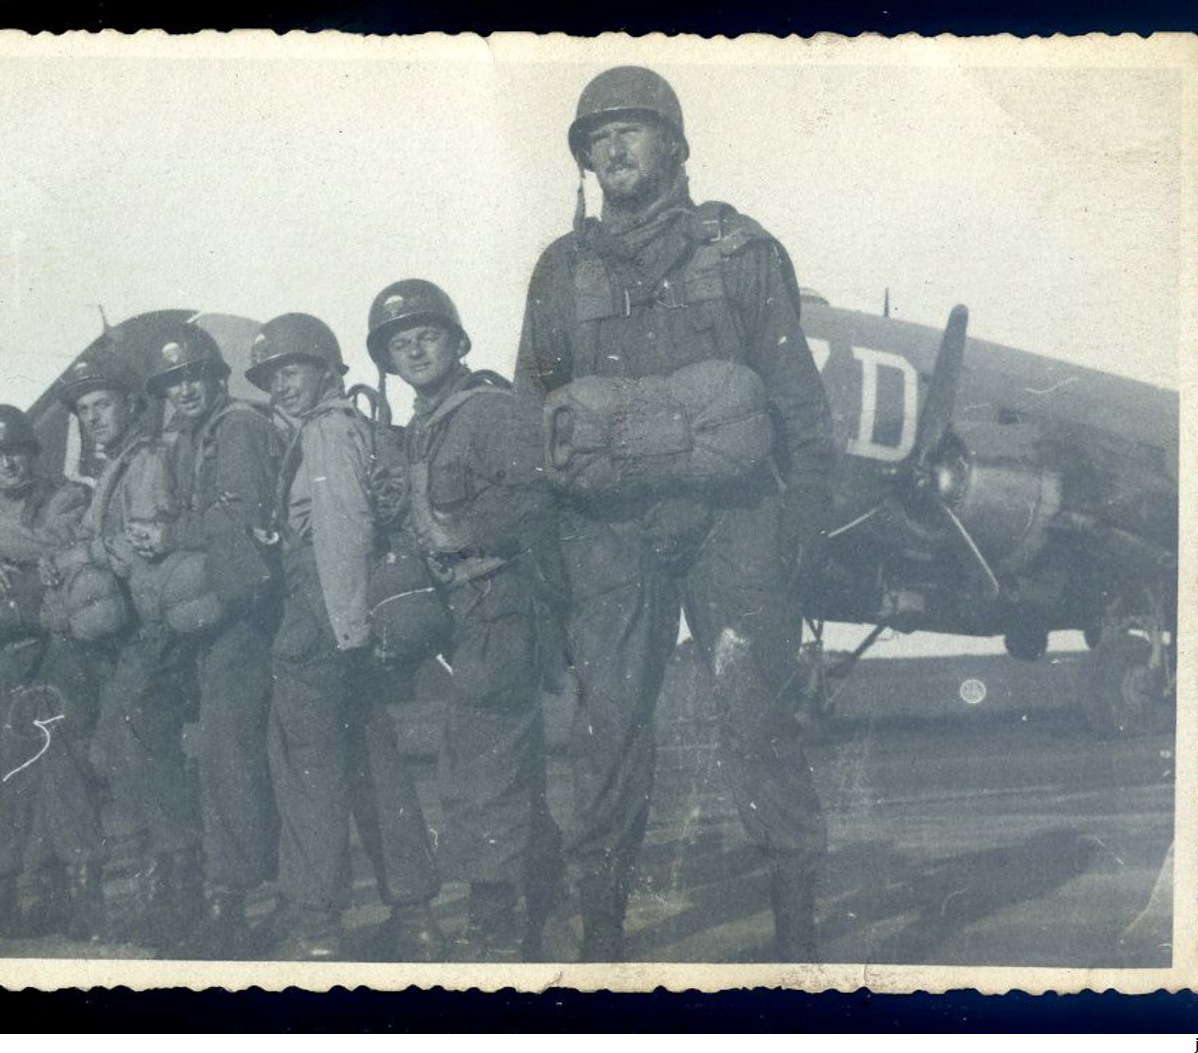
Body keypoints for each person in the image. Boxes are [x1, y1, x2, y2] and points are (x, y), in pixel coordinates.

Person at [514, 66, 836, 961]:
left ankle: (798, 938)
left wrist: (798, 528)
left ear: (675, 144)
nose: (613, 148)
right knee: (608, 726)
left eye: (632, 130)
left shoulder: (740, 253)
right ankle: (602, 938)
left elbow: (798, 404)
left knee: (756, 713)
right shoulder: (560, 269)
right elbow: (528, 411)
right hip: (606, 534)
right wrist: (537, 534)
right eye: (596, 138)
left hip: (732, 523)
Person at [366, 280, 570, 961]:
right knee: (497, 760)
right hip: (468, 612)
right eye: (399, 343)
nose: (414, 349)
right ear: (388, 361)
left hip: (502, 606)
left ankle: (496, 923)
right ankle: (545, 907)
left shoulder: (486, 410)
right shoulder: (427, 423)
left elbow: (535, 502)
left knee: (480, 765)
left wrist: (459, 533)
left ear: (456, 342)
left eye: (426, 335)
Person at [246, 312, 441, 961]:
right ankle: (414, 913)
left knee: (308, 769)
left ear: (327, 369)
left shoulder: (326, 432)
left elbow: (338, 533)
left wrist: (346, 632)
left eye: (292, 369)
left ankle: (315, 924)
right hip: (345, 618)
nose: (282, 384)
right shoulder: (352, 422)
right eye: (272, 376)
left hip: (322, 620)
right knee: (374, 765)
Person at [41, 351, 205, 949]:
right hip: (130, 634)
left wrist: (85, 555)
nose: (94, 419)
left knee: (139, 751)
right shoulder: (118, 466)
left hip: (153, 630)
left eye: (102, 405)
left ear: (130, 405)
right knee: (123, 752)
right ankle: (165, 889)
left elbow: (146, 545)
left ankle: (182, 892)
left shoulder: (148, 460)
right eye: (85, 411)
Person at [0, 404, 106, 939]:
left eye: (14, 451)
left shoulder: (65, 495)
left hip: (56, 647)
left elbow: (60, 544)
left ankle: (82, 893)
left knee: (63, 769)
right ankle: (15, 890)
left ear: (32, 452)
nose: (6, 464)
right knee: (1, 775)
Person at [148, 326, 283, 958]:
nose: (185, 389)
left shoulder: (238, 428)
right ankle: (231, 899)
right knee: (223, 757)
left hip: (245, 618)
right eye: (174, 382)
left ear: (218, 377)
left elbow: (239, 516)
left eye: (195, 376)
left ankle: (242, 907)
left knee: (233, 757)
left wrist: (172, 537)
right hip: (217, 618)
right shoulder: (194, 440)